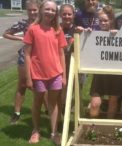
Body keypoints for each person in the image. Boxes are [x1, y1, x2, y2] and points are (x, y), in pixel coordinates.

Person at [23, 0, 67, 144]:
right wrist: (28, 78)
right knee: (37, 102)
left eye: (53, 10)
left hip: (55, 74)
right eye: (47, 9)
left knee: (53, 104)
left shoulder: (58, 30)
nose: (50, 12)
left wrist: (64, 76)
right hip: (37, 74)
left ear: (56, 13)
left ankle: (54, 133)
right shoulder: (33, 29)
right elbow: (27, 54)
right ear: (41, 10)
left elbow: (61, 54)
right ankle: (35, 130)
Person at [2, 0, 48, 124]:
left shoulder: (45, 23)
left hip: (41, 58)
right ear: (26, 10)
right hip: (24, 57)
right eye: (29, 10)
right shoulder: (23, 23)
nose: (32, 12)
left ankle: (48, 109)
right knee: (22, 85)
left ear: (39, 10)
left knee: (42, 85)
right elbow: (6, 34)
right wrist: (20, 38)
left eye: (34, 10)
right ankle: (16, 113)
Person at [89, 5, 122, 119]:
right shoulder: (94, 34)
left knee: (113, 102)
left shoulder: (119, 34)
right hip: (100, 74)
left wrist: (120, 35)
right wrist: (87, 34)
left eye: (105, 20)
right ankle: (92, 126)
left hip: (115, 73)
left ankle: (108, 128)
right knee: (95, 104)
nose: (103, 23)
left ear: (111, 20)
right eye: (100, 20)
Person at [59, 3, 75, 114]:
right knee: (60, 88)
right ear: (60, 15)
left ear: (73, 15)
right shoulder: (55, 28)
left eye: (69, 14)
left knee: (75, 87)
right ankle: (61, 107)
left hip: (74, 63)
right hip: (59, 64)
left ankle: (69, 105)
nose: (67, 16)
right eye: (64, 14)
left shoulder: (77, 29)